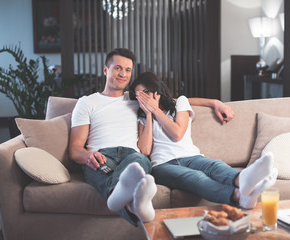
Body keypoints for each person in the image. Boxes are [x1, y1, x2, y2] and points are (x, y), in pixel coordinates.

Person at [68, 48, 235, 226]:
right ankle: (125, 201)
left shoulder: (137, 99)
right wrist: (87, 155)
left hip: (132, 157)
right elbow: (75, 149)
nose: (122, 74)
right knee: (120, 171)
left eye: (128, 70)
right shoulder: (87, 102)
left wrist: (215, 103)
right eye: (117, 68)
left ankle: (116, 199)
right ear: (105, 70)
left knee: (140, 159)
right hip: (103, 156)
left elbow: (172, 100)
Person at [129, 72, 278, 209]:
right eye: (139, 96)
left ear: (156, 90)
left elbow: (177, 133)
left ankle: (244, 180)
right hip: (162, 165)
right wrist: (149, 115)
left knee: (215, 165)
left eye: (146, 93)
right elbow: (145, 150)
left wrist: (156, 110)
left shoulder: (180, 103)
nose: (143, 99)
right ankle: (239, 196)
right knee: (196, 177)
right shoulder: (143, 117)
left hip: (191, 156)